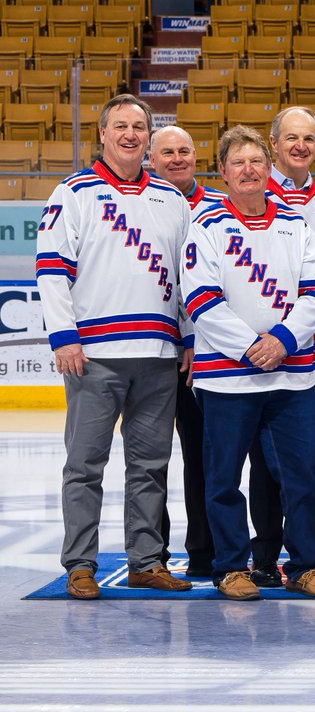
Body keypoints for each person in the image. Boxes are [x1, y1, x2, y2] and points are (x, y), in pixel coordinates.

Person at [37, 93, 194, 599]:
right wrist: (63, 336)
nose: (130, 134)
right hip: (94, 356)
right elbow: (52, 270)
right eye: (120, 126)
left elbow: (190, 279)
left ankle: (146, 560)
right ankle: (80, 564)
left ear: (149, 137)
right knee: (85, 466)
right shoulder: (73, 193)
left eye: (139, 127)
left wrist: (188, 339)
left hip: (158, 356)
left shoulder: (172, 200)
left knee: (149, 468)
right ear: (103, 134)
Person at [182, 125, 315, 601]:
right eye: (238, 163)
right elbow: (200, 299)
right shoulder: (206, 226)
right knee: (224, 479)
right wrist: (254, 346)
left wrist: (284, 340)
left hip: (292, 377)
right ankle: (231, 568)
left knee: (302, 477)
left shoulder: (296, 226)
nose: (249, 170)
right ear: (224, 172)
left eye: (256, 162)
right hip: (227, 380)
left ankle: (306, 564)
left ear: (269, 169)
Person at [246, 106, 315, 588]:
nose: (300, 146)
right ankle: (264, 554)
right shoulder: (246, 200)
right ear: (273, 142)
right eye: (291, 138)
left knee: (308, 460)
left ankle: (306, 554)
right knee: (264, 466)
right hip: (251, 357)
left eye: (309, 138)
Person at [147, 124, 225, 578]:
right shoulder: (140, 207)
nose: (177, 159)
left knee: (203, 458)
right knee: (151, 459)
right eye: (167, 153)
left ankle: (204, 552)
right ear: (150, 160)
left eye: (184, 151)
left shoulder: (218, 207)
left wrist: (198, 338)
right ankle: (151, 554)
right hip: (156, 353)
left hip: (206, 356)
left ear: (197, 156)